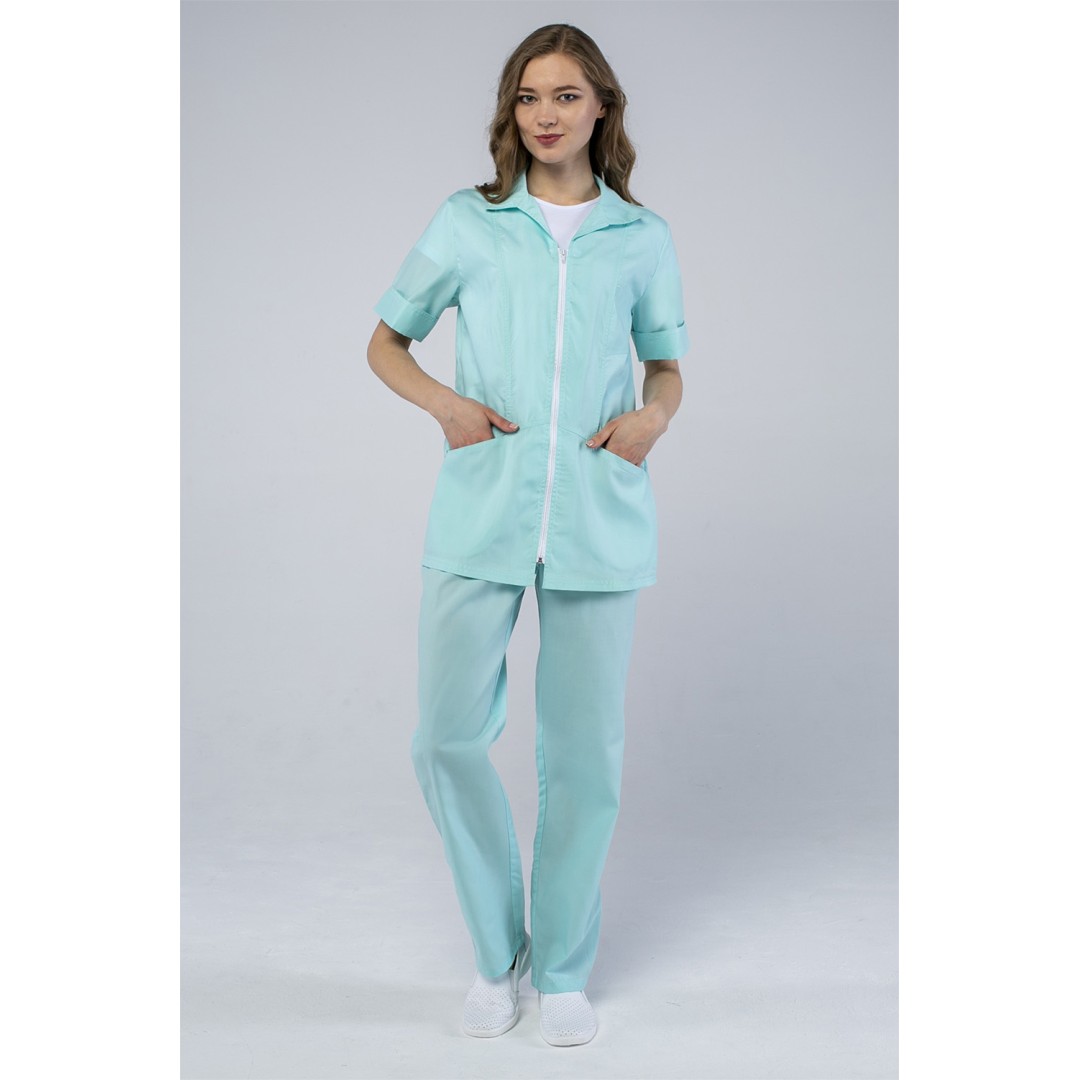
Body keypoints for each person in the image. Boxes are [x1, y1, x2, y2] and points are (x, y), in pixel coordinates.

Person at [366, 22, 689, 1047]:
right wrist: (446, 407)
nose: (546, 114)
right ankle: (494, 950)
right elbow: (386, 341)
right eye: (528, 96)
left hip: (598, 515)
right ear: (511, 110)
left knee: (584, 756)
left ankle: (563, 969)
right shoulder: (469, 221)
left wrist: (653, 417)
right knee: (444, 737)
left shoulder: (641, 236)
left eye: (566, 95)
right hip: (480, 512)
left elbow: (666, 364)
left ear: (602, 107)